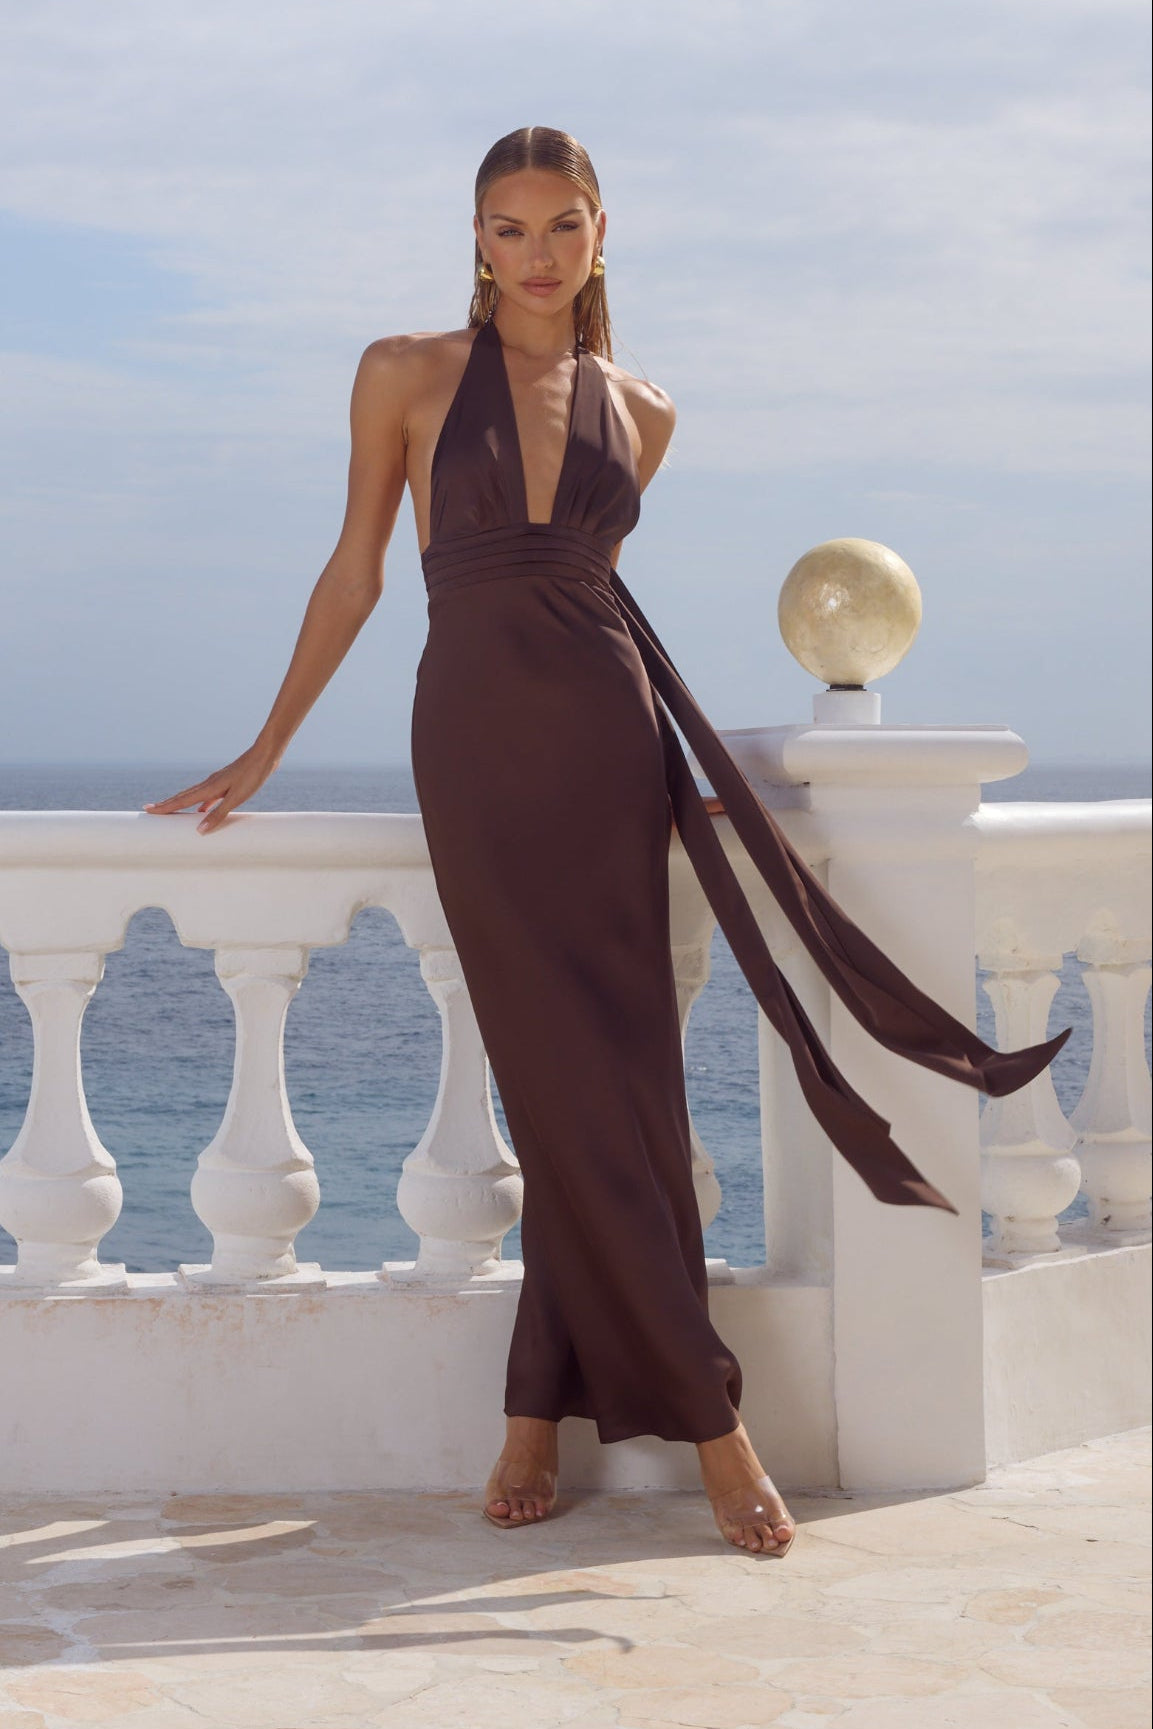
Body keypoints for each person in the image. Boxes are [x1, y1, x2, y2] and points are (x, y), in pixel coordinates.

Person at [145, 125, 1069, 1557]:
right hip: (475, 746)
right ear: (474, 239)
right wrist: (266, 745)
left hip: (604, 751)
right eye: (506, 228)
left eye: (559, 225)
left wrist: (669, 761)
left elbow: (594, 599)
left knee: (623, 1087)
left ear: (599, 234)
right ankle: (715, 1422)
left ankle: (534, 1409)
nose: (533, 253)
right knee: (562, 1083)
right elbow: (355, 568)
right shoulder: (404, 372)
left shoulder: (644, 410)